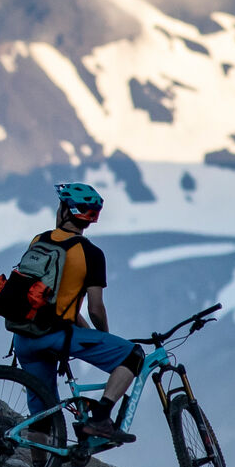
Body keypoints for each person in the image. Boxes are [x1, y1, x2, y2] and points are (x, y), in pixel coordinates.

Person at [8, 182, 142, 445]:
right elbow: (95, 308)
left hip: (23, 337)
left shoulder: (39, 240)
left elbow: (51, 300)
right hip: (56, 336)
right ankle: (101, 418)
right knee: (132, 354)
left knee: (42, 419)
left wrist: (88, 332)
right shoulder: (91, 254)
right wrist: (104, 337)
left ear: (64, 210)